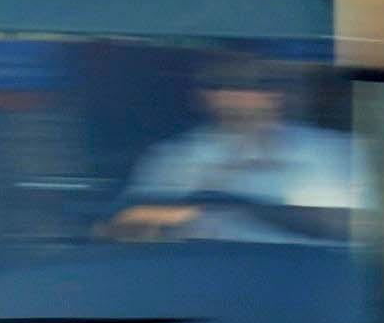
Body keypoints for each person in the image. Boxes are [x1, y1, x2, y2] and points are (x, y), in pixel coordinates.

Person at [106, 51, 366, 243]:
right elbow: (122, 231)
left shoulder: (333, 152)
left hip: (315, 289)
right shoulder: (174, 159)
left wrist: (242, 206)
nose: (232, 92)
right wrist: (178, 212)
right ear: (205, 95)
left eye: (250, 82)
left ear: (276, 93)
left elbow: (364, 232)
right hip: (205, 286)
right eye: (218, 83)